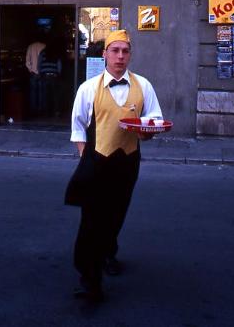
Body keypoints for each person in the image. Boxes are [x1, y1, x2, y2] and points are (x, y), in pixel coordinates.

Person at [65, 29, 163, 303]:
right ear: (105, 54)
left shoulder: (144, 86)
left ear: (130, 54)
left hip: (128, 162)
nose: (120, 56)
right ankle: (89, 278)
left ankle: (108, 252)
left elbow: (153, 119)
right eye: (115, 50)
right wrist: (87, 161)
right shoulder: (88, 88)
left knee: (116, 214)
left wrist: (147, 132)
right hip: (96, 161)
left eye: (125, 51)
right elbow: (78, 129)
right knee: (91, 221)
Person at [26, 37, 46, 114]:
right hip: (42, 72)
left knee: (33, 92)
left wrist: (31, 70)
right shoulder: (44, 46)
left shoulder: (30, 46)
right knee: (42, 92)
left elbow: (27, 61)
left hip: (33, 73)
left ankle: (33, 109)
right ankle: (41, 109)